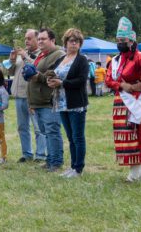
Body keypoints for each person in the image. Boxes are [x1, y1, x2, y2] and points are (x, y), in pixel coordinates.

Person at [105, 17, 141, 182]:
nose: (120, 43)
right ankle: (137, 171)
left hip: (135, 101)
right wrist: (123, 86)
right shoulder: (116, 60)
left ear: (131, 41)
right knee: (124, 135)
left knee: (134, 133)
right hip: (120, 101)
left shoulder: (139, 57)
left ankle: (136, 173)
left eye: (123, 40)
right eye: (118, 40)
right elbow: (108, 80)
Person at [48, 28, 89, 178]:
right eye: (71, 40)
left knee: (78, 137)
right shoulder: (61, 59)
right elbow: (54, 74)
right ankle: (72, 167)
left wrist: (62, 83)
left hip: (76, 103)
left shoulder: (82, 59)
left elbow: (81, 80)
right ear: (65, 42)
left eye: (77, 41)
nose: (74, 43)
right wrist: (51, 81)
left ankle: (78, 168)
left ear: (80, 44)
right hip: (61, 103)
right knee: (70, 137)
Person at [27, 27, 65, 172]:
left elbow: (54, 75)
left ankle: (56, 162)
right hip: (38, 102)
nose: (40, 41)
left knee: (52, 131)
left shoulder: (59, 55)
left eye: (43, 39)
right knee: (46, 132)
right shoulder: (41, 56)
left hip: (50, 101)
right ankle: (50, 160)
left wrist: (37, 76)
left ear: (52, 40)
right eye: (39, 39)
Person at [8, 29, 47, 163]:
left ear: (37, 39)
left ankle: (41, 154)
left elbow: (38, 68)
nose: (26, 41)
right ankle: (27, 153)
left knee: (38, 127)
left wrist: (25, 56)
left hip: (33, 96)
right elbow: (11, 71)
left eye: (29, 38)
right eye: (25, 38)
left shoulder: (41, 55)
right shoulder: (20, 55)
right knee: (22, 126)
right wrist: (12, 61)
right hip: (19, 95)